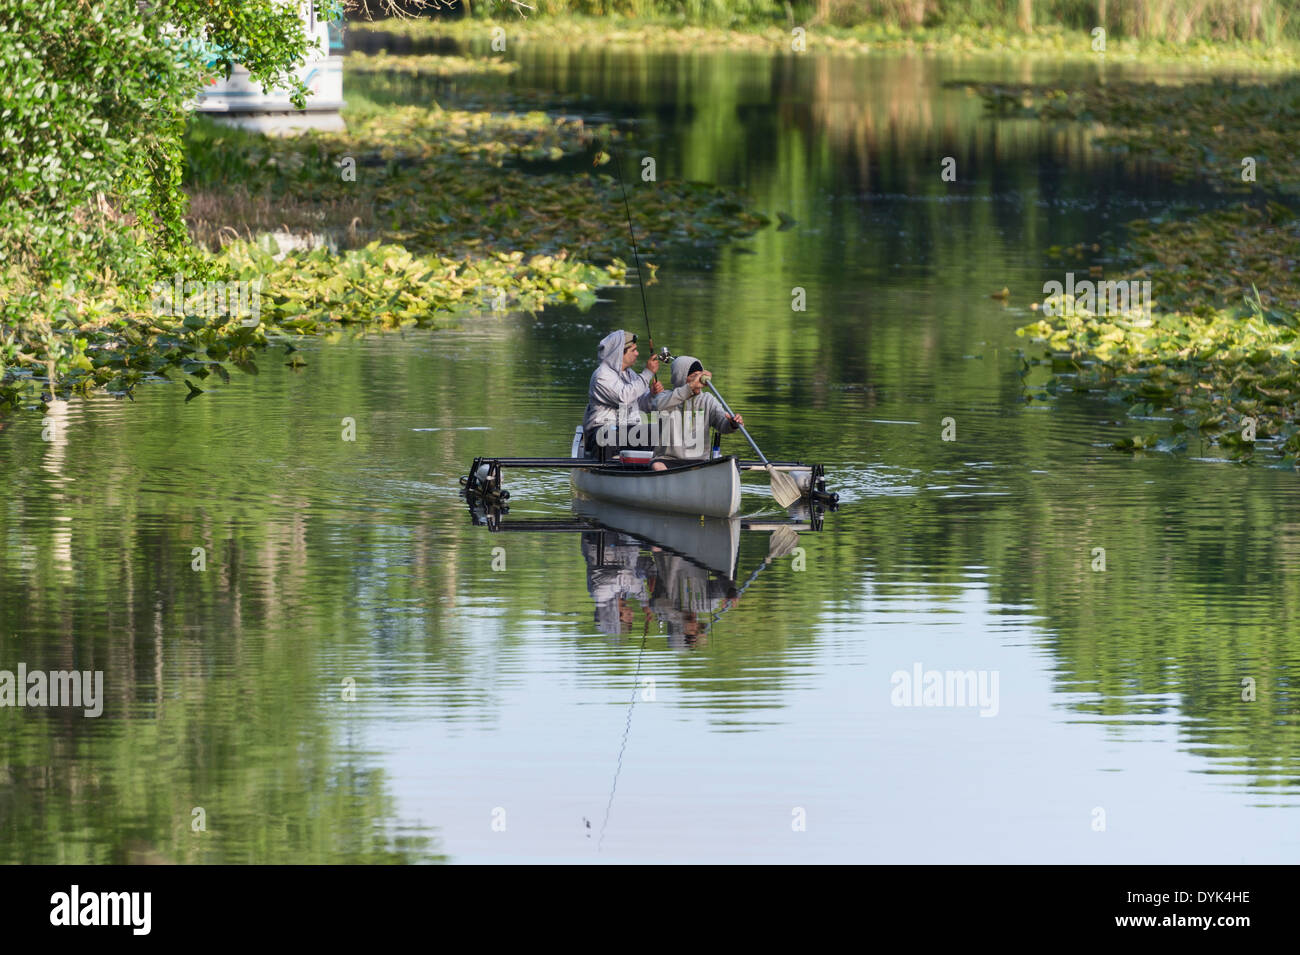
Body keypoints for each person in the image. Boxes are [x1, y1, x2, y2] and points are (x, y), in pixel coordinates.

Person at [582, 329, 697, 460]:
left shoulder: (630, 374)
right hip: (601, 432)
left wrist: (651, 395)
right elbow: (624, 398)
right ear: (619, 353)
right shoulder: (601, 376)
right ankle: (607, 469)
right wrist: (648, 373)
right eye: (633, 350)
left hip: (627, 431)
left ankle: (663, 465)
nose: (637, 354)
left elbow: (640, 404)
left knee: (663, 431)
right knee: (609, 435)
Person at [650, 355, 742, 470]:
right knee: (657, 466)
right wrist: (690, 387)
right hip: (668, 459)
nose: (698, 381)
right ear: (681, 377)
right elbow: (657, 406)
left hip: (699, 461)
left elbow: (722, 424)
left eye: (699, 376)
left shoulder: (708, 400)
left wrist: (732, 424)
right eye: (694, 376)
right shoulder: (665, 397)